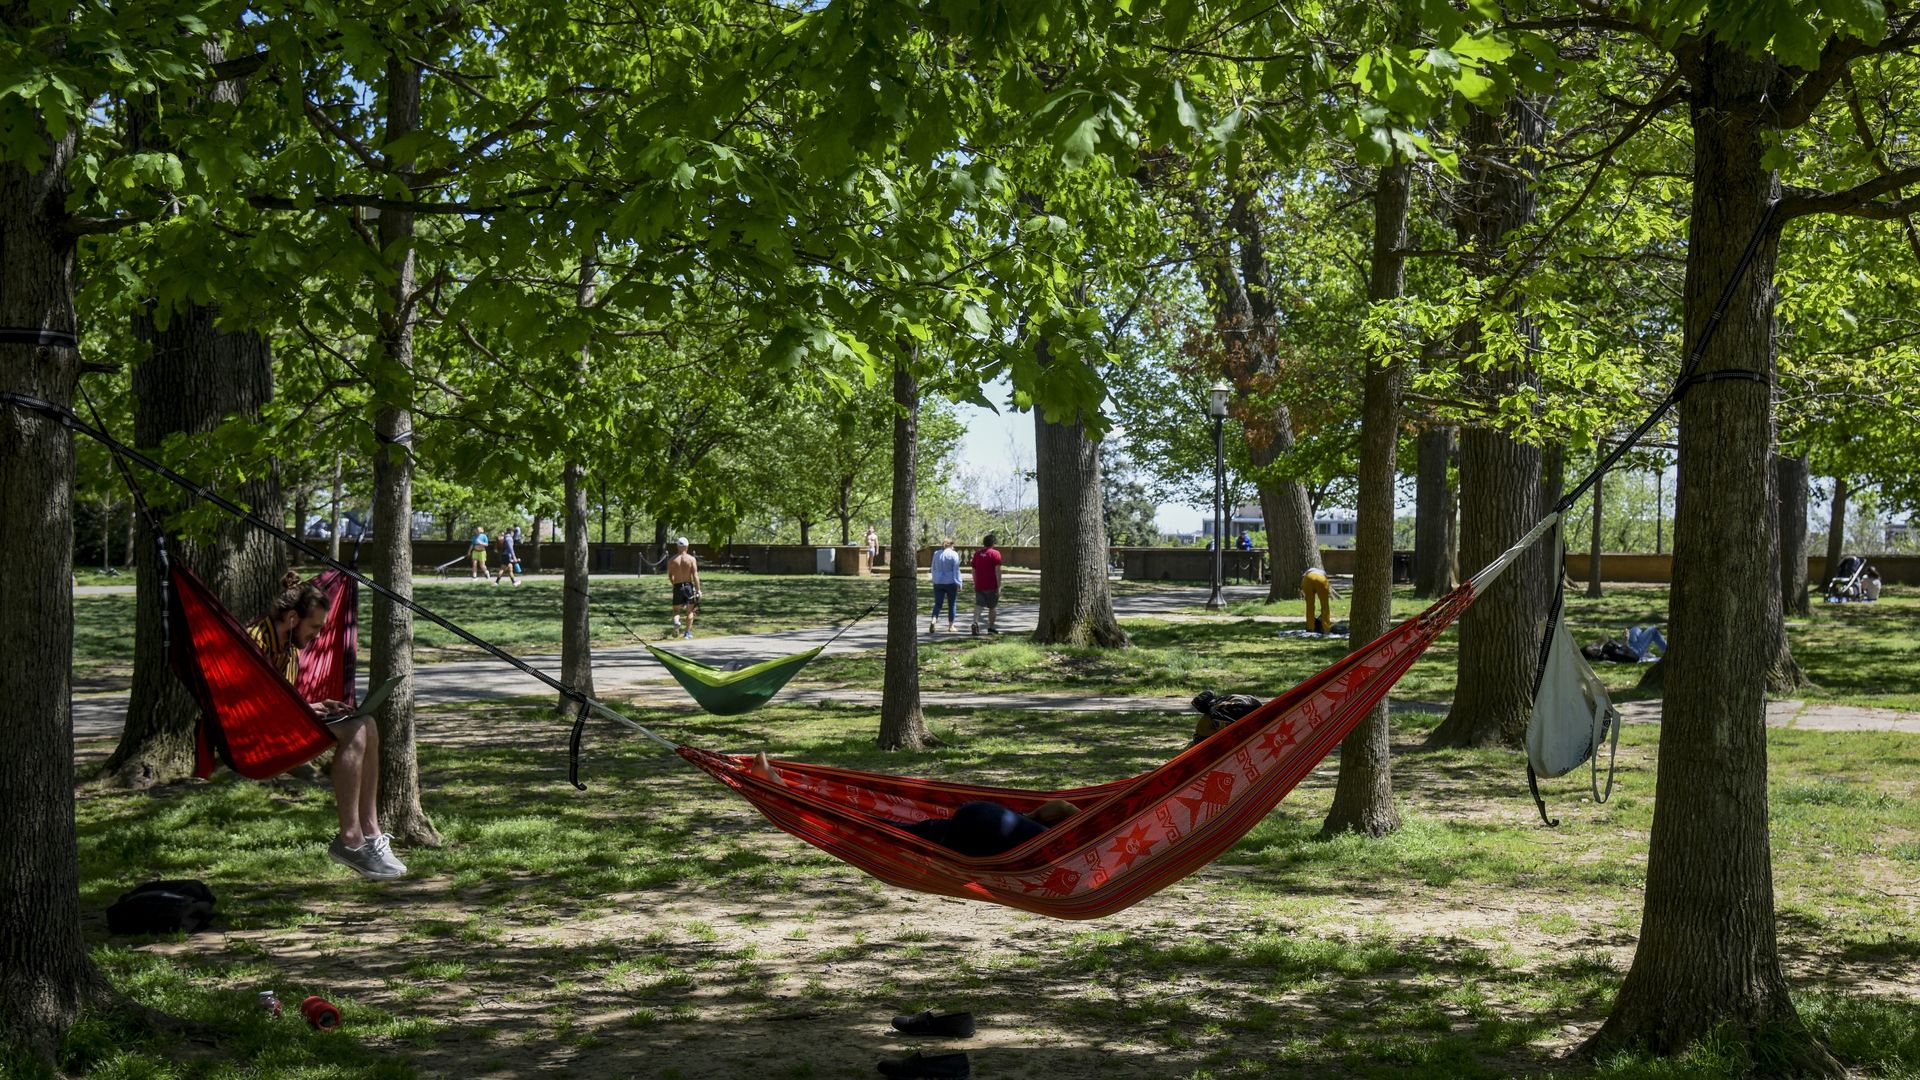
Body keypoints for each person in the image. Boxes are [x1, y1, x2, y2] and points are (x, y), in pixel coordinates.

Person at [249, 571, 406, 880]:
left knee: (368, 722)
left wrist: (315, 707)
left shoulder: (290, 649)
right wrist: (302, 713)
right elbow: (253, 703)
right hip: (256, 736)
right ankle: (349, 839)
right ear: (293, 618)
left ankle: (371, 834)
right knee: (354, 730)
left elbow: (282, 697)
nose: (318, 636)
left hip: (283, 721)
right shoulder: (254, 642)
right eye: (315, 627)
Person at [748, 753, 1078, 857]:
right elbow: (1061, 814)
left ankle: (785, 789)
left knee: (882, 827)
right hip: (982, 835)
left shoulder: (1061, 833)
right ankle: (784, 791)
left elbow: (1058, 809)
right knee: (880, 830)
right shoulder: (1075, 851)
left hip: (987, 816)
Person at [667, 537, 702, 639]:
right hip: (688, 586)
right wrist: (698, 589)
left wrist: (674, 583)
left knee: (676, 610)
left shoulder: (672, 560)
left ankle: (676, 622)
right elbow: (695, 575)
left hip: (678, 586)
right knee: (690, 611)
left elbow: (670, 575)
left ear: (678, 547)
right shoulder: (691, 559)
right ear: (687, 547)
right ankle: (687, 632)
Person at [969, 533, 1003, 635]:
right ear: (993, 543)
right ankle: (991, 627)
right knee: (992, 607)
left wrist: (975, 583)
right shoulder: (995, 554)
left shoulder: (977, 554)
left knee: (979, 605)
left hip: (980, 585)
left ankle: (975, 622)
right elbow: (997, 571)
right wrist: (999, 586)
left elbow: (973, 570)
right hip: (992, 585)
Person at [930, 537, 963, 634]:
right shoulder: (954, 554)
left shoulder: (936, 554)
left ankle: (934, 620)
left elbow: (933, 568)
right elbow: (956, 570)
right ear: (951, 545)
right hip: (950, 582)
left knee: (938, 603)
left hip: (938, 582)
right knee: (952, 604)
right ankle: (951, 625)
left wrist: (934, 579)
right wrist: (959, 583)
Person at [1301, 567, 1332, 634]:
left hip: (1308, 578)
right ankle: (1326, 628)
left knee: (1310, 605)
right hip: (1321, 579)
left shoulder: (1308, 572)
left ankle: (1310, 628)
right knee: (1325, 606)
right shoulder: (1322, 572)